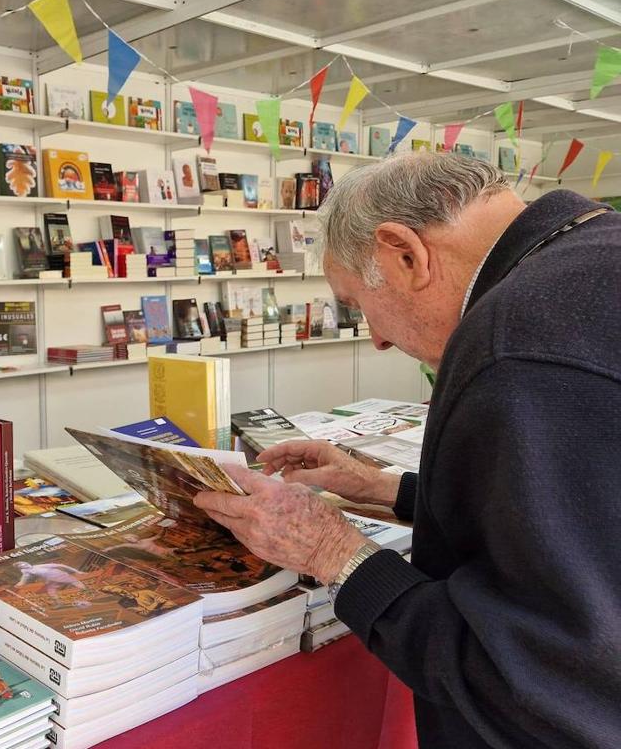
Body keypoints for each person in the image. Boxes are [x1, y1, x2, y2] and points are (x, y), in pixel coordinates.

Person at [194, 153, 621, 748]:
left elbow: (532, 674)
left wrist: (332, 551)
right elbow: (582, 515)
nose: (377, 339)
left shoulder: (518, 349)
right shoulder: (594, 253)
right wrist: (384, 489)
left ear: (404, 253)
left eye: (360, 304)